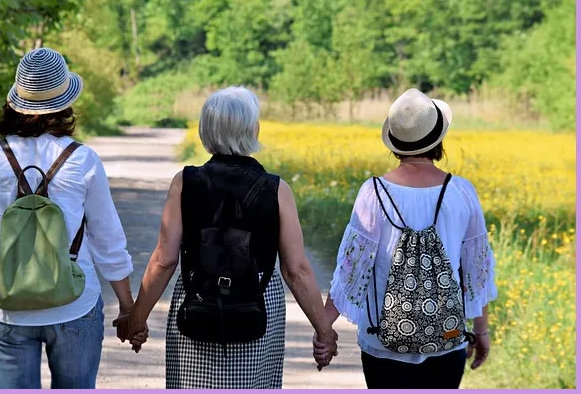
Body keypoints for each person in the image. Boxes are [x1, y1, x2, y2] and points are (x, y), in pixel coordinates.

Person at [114, 86, 338, 388]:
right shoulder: (277, 189)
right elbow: (295, 270)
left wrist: (137, 317)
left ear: (205, 130)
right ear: (253, 130)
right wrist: (324, 331)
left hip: (198, 298)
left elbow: (164, 261)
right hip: (258, 302)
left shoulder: (185, 182)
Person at [0, 47, 139, 389]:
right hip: (75, 304)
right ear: (65, 103)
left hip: (7, 307)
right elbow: (108, 242)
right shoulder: (82, 159)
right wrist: (128, 307)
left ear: (16, 103)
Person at [314, 88, 497, 389]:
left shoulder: (373, 192)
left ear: (395, 143)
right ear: (438, 140)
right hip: (447, 337)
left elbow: (352, 270)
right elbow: (477, 271)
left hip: (383, 343)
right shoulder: (462, 192)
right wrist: (481, 330)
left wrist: (324, 328)